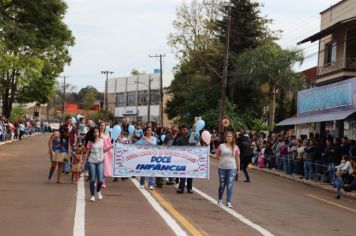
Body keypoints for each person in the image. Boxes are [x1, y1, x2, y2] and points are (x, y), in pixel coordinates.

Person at [85, 127, 113, 202]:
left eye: (97, 132)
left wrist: (109, 148)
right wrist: (84, 161)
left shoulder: (102, 140)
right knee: (92, 179)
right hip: (91, 161)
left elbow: (103, 150)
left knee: (100, 180)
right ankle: (92, 195)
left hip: (100, 161)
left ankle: (98, 191)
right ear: (92, 133)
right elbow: (87, 152)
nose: (96, 133)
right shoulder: (90, 142)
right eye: (94, 132)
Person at [214, 131, 240, 208]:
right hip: (222, 168)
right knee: (222, 185)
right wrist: (207, 154)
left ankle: (228, 201)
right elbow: (216, 156)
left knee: (230, 185)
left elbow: (238, 158)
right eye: (227, 136)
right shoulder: (221, 146)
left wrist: (238, 170)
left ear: (233, 138)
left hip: (232, 168)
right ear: (225, 138)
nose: (229, 138)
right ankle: (220, 199)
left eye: (230, 136)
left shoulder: (236, 147)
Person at [174, 124, 195, 194]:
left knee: (190, 174)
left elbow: (195, 146)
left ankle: (190, 188)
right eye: (182, 130)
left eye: (185, 130)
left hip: (190, 158)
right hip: (182, 159)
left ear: (188, 130)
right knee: (182, 174)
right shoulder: (179, 139)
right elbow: (176, 148)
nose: (184, 131)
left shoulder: (192, 138)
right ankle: (181, 188)